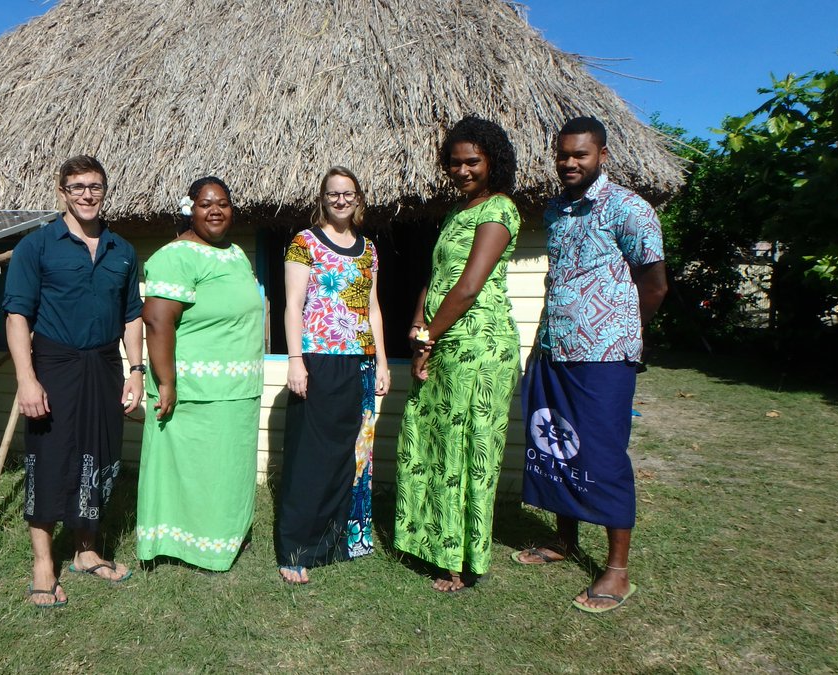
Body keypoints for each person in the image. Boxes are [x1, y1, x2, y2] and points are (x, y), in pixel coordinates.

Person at [515, 116, 668, 614]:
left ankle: (618, 571)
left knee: (602, 455)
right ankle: (564, 542)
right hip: (555, 348)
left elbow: (654, 283)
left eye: (580, 154)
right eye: (563, 154)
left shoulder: (629, 209)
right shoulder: (556, 211)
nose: (569, 163)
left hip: (604, 357)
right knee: (557, 445)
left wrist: (620, 331)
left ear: (602, 155)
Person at [3, 155, 145, 608]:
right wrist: (27, 379)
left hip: (104, 366)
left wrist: (135, 370)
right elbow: (17, 315)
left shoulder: (121, 250)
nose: (87, 194)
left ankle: (86, 551)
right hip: (54, 365)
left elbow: (132, 316)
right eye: (78, 186)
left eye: (95, 186)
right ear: (62, 191)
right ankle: (43, 564)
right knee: (49, 458)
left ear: (105, 191)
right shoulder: (38, 246)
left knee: (97, 453)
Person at [394, 116, 523, 593]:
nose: (463, 170)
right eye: (455, 163)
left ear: (493, 162)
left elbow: (469, 286)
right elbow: (436, 277)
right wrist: (417, 325)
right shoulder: (456, 214)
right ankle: (431, 543)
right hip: (444, 339)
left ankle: (460, 563)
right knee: (432, 441)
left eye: (473, 161)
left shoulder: (498, 211)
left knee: (467, 449)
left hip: (479, 347)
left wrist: (429, 335)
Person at [136, 176, 264, 572]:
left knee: (225, 470)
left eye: (223, 203)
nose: (215, 210)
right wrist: (167, 382)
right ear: (188, 209)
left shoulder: (235, 253)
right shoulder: (176, 256)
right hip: (195, 390)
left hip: (237, 388)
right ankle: (187, 546)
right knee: (190, 471)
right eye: (205, 203)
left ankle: (222, 540)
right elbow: (157, 321)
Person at [275, 166, 390, 584]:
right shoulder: (304, 243)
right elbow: (293, 305)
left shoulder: (369, 249)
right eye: (332, 194)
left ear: (358, 198)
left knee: (352, 455)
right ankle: (297, 548)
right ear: (321, 199)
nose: (340, 200)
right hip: (318, 359)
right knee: (312, 455)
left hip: (358, 361)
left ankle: (341, 540)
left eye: (348, 193)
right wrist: (294, 359)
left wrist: (379, 362)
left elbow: (372, 308)